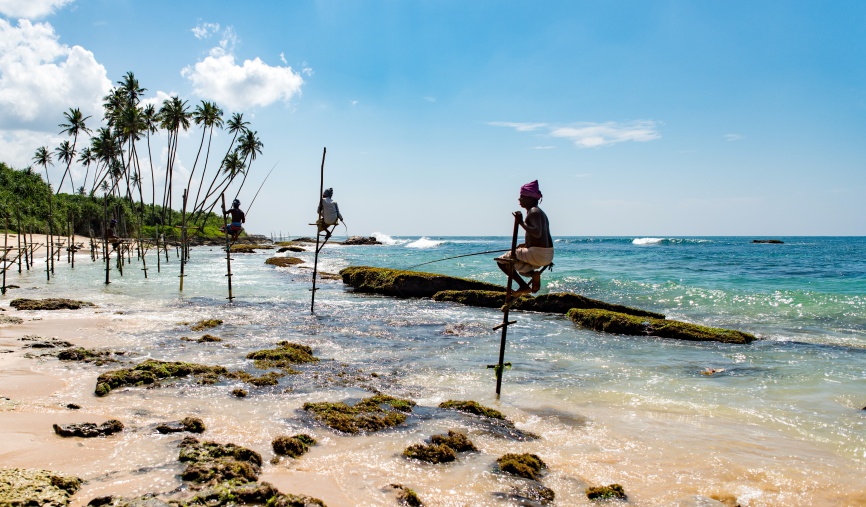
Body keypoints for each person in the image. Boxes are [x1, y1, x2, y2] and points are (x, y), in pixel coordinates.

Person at [495, 180, 554, 295]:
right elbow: (542, 237)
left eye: (522, 196)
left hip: (537, 254)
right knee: (519, 267)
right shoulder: (540, 213)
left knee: (501, 261)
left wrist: (520, 222)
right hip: (547, 255)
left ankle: (523, 287)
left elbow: (536, 233)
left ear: (530, 198)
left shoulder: (533, 211)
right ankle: (533, 274)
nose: (519, 199)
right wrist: (526, 245)